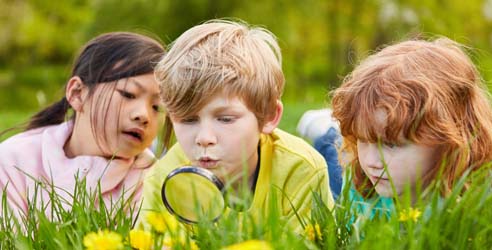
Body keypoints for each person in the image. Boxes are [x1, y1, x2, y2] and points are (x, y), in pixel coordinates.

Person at [137, 20, 334, 231]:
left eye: (225, 119)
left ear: (268, 116)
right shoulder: (162, 178)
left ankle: (330, 133)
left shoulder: (301, 169)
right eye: (188, 119)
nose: (204, 138)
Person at [298, 38, 492, 216]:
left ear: (448, 138)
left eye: (391, 144)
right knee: (336, 170)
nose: (372, 161)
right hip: (348, 177)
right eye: (363, 139)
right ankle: (329, 132)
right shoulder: (359, 194)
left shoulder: (486, 206)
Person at [0, 32, 165, 221]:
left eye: (156, 107)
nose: (144, 115)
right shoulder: (13, 161)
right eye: (128, 94)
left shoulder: (154, 179)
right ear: (77, 93)